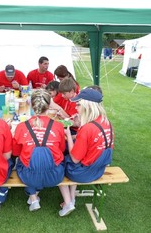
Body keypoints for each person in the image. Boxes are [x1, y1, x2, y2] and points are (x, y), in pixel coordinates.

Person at [58, 88, 114, 217]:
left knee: (58, 163)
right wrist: (80, 127)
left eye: (78, 104)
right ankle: (72, 198)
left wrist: (68, 133)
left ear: (87, 106)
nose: (75, 107)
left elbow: (75, 158)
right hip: (98, 169)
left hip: (83, 173)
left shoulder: (87, 128)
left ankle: (68, 202)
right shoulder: (106, 122)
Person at [12, 89, 66, 212]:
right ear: (49, 107)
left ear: (31, 105)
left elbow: (15, 152)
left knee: (21, 161)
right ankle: (34, 195)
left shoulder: (21, 127)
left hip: (29, 176)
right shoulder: (58, 126)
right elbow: (62, 149)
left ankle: (33, 196)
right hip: (55, 176)